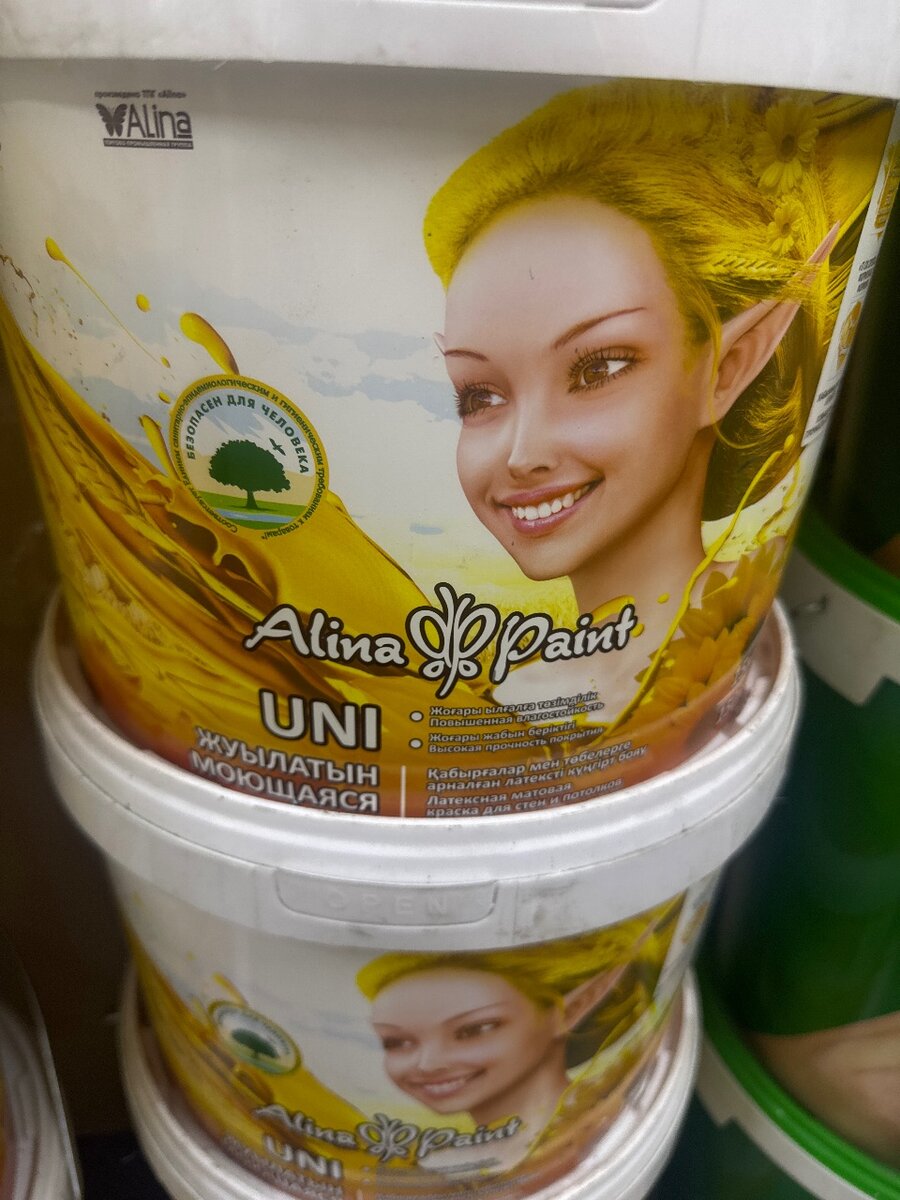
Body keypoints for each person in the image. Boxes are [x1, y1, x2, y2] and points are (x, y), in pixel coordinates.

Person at [423, 82, 856, 716]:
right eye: (479, 396)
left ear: (729, 367)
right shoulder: (522, 691)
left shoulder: (710, 656)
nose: (522, 454)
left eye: (597, 369)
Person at [357, 897, 682, 1172]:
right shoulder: (442, 1163)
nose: (428, 1064)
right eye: (397, 1042)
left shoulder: (591, 1126)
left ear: (573, 1008)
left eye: (474, 1030)